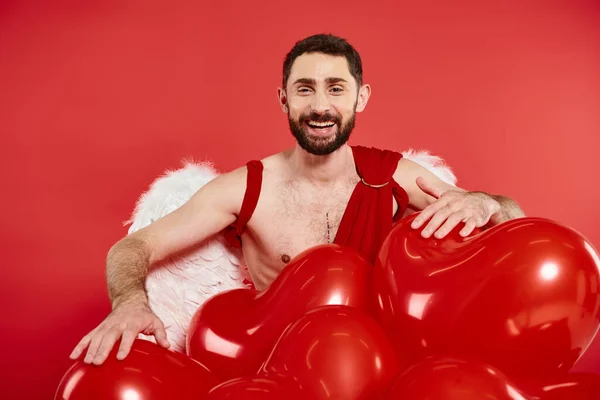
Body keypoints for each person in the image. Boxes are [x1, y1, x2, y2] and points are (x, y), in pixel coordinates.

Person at [69, 33, 525, 366]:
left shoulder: (394, 176)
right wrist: (129, 302)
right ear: (284, 99)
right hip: (276, 373)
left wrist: (487, 202)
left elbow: (512, 222)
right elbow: (132, 247)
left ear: (360, 98)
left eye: (336, 88)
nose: (320, 105)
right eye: (305, 89)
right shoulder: (246, 188)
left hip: (376, 370)